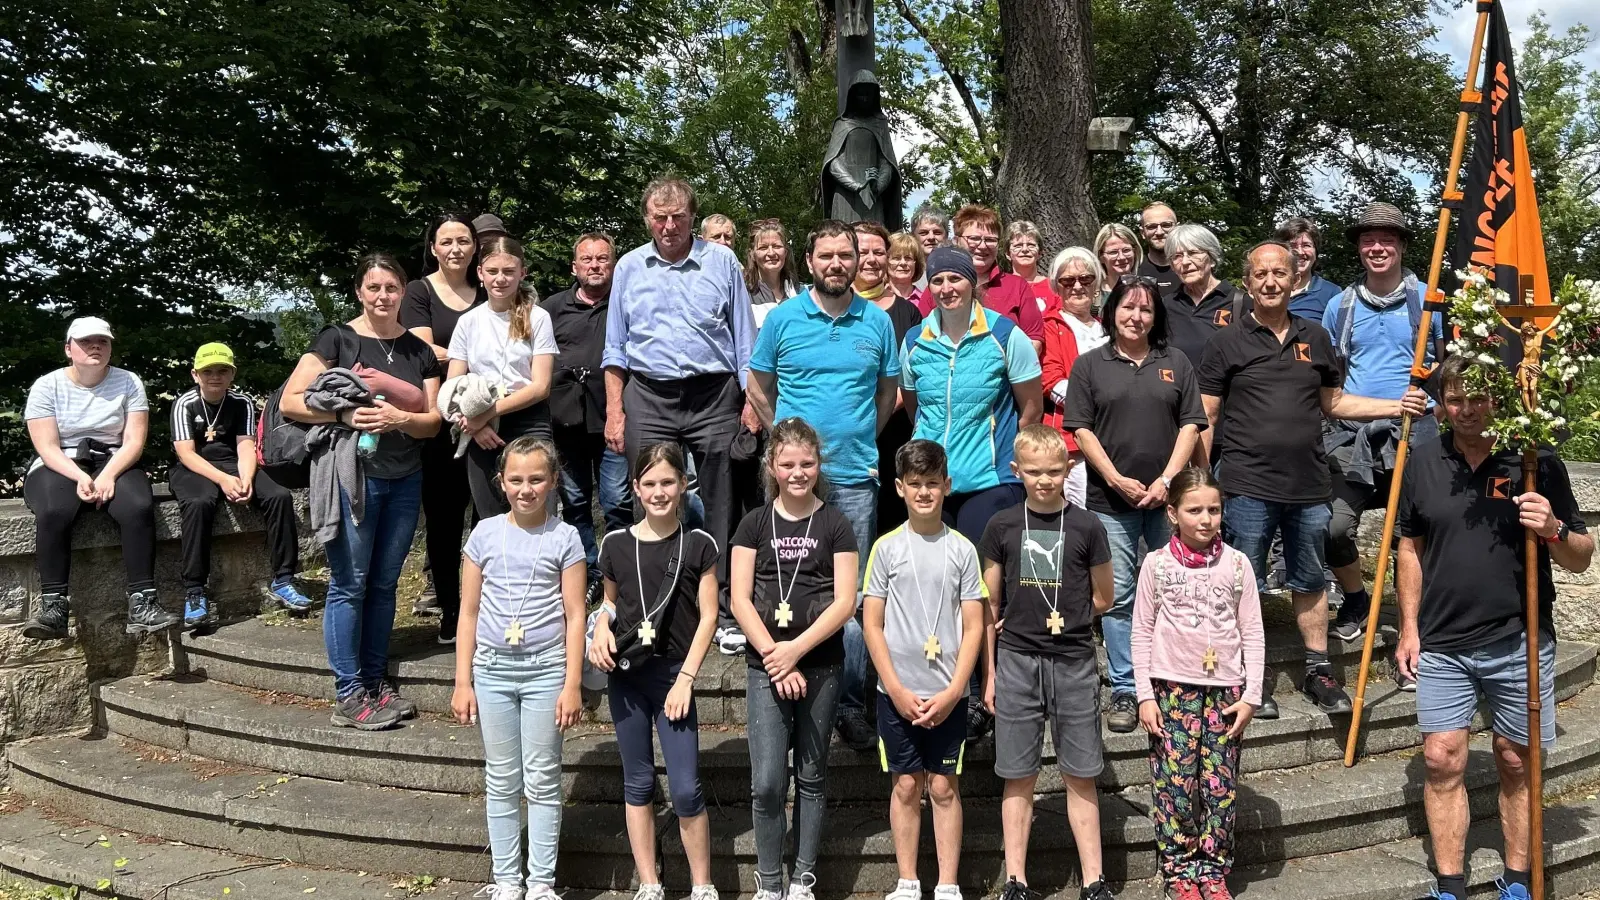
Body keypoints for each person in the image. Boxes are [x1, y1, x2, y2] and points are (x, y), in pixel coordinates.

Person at [1198, 242, 1427, 718]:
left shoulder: (1316, 336)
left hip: (1307, 483)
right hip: (1246, 483)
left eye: (1279, 273)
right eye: (1260, 274)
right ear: (1248, 281)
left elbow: (1335, 404)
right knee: (1244, 583)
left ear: (1293, 276)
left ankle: (1318, 670)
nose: (1270, 282)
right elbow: (1207, 416)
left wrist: (1394, 405)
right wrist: (1199, 482)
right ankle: (1245, 677)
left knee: (1309, 579)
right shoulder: (1226, 343)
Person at [1395, 354, 1594, 900]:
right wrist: (1408, 628)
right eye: (1454, 399)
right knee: (1440, 759)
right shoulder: (1422, 459)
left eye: (1476, 398)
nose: (1465, 409)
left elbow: (1581, 556)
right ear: (1442, 404)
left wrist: (1553, 528)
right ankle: (1451, 884)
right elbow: (1409, 548)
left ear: (1497, 400)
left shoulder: (1534, 459)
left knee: (1515, 758)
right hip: (1442, 640)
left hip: (1519, 638)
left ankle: (1516, 879)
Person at [747, 220, 900, 753]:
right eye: (826, 255)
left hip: (856, 477)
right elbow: (758, 386)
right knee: (786, 583)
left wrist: (859, 440)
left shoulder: (877, 322)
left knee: (850, 597)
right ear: (809, 261)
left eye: (845, 255)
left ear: (858, 261)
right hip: (790, 479)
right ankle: (783, 686)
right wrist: (782, 440)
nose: (836, 264)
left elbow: (888, 395)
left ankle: (851, 705)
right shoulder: (784, 319)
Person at [282, 253, 442, 729]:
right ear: (359, 292)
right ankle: (349, 692)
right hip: (355, 478)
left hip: (405, 477)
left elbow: (433, 423)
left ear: (404, 292)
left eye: (391, 288)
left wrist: (402, 419)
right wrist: (342, 416)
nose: (383, 297)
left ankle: (375, 681)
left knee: (384, 583)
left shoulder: (419, 350)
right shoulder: (337, 338)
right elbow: (292, 401)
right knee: (349, 583)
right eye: (374, 288)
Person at [604, 176, 757, 659]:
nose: (669, 226)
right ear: (647, 218)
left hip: (714, 394)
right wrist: (614, 409)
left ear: (693, 217)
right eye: (659, 217)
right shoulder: (629, 266)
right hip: (648, 394)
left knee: (723, 501)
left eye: (678, 217)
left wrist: (751, 401)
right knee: (649, 496)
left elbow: (744, 341)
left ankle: (729, 607)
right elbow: (615, 348)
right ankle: (646, 603)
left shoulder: (723, 261)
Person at [979, 425, 1116, 900]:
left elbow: (1105, 595)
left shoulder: (1087, 526)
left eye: (1054, 472)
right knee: (1018, 774)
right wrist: (990, 673)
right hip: (1017, 658)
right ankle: (1016, 879)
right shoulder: (1001, 525)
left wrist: (1069, 615)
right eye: (1033, 472)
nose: (1043, 480)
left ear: (1068, 470)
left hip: (1074, 658)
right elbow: (989, 605)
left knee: (1081, 772)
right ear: (1016, 471)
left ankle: (1094, 880)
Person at [1064, 277, 1207, 734]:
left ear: (1156, 317)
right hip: (1111, 500)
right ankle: (1125, 686)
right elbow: (1082, 430)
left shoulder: (1176, 362)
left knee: (1178, 587)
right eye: (1128, 307)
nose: (1136, 317)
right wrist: (1114, 478)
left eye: (1146, 310)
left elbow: (1190, 425)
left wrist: (1167, 480)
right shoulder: (1089, 366)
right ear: (1112, 311)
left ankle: (1176, 675)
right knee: (1119, 595)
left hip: (1169, 500)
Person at [451, 437, 587, 900]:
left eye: (535, 479)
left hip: (546, 669)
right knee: (502, 777)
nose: (525, 489)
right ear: (501, 482)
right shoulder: (485, 534)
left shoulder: (565, 537)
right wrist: (462, 681)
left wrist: (572, 683)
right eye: (516, 480)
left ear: (551, 482)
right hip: (491, 669)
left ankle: (542, 882)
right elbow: (468, 611)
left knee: (544, 776)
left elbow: (575, 615)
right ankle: (507, 880)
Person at [729, 419, 860, 900]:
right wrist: (772, 655)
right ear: (772, 467)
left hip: (820, 664)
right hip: (765, 666)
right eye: (788, 464)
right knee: (766, 783)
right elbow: (740, 598)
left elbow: (846, 601)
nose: (798, 472)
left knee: (811, 774)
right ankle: (768, 880)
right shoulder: (753, 523)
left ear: (818, 465)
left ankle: (803, 876)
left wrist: (795, 652)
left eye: (807, 463)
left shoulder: (835, 523)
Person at [588, 443, 720, 900]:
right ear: (635, 489)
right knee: (638, 782)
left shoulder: (700, 544)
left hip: (672, 680)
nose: (659, 491)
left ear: (684, 485)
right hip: (626, 679)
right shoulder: (615, 543)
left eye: (668, 482)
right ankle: (650, 882)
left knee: (685, 789)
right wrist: (598, 629)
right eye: (650, 483)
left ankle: (702, 884)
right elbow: (608, 603)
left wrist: (686, 678)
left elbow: (708, 617)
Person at [1321, 205, 1445, 683]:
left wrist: (1435, 404)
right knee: (1330, 526)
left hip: (1416, 436)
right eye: (1369, 240)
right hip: (1354, 438)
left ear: (1402, 246)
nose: (1377, 248)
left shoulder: (1428, 299)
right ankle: (1355, 599)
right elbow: (1331, 376)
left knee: (1410, 538)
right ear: (1358, 246)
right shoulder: (1342, 306)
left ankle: (1414, 637)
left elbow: (1447, 366)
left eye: (1387, 240)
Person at [1133, 466, 1264, 900]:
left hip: (1225, 693)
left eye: (1213, 509)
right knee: (1174, 784)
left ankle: (1213, 868)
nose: (1206, 519)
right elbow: (1141, 631)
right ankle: (1179, 868)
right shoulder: (1156, 565)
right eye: (1194, 510)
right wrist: (1145, 695)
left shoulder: (1238, 564)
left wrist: (1252, 696)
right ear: (1172, 513)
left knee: (1219, 786)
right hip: (1173, 691)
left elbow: (1253, 632)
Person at [862, 440, 985, 900]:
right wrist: (893, 687)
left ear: (947, 486)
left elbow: (974, 626)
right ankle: (908, 879)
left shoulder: (963, 551)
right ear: (899, 488)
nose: (925, 493)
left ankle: (948, 883)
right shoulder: (886, 549)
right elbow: (872, 624)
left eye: (933, 484)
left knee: (943, 785)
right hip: (897, 691)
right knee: (907, 784)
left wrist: (956, 690)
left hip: (947, 691)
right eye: (915, 485)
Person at [22, 317, 178, 640]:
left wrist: (108, 474)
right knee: (53, 510)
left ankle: (143, 601)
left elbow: (134, 440)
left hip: (114, 459)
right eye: (86, 341)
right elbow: (47, 446)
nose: (95, 346)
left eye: (102, 341)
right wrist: (79, 475)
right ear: (69, 349)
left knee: (137, 505)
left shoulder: (129, 382)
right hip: (60, 462)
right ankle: (53, 607)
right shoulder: (46, 386)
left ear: (110, 348)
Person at [902, 245, 1043, 546]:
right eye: (937, 280)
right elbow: (915, 408)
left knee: (983, 580)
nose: (946, 288)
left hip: (990, 480)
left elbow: (1031, 409)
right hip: (930, 480)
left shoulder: (1005, 334)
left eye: (955, 278)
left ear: (972, 282)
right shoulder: (914, 340)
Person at [169, 341, 310, 631]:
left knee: (278, 496)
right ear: (196, 374)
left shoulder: (241, 402)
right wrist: (222, 480)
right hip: (194, 467)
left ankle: (284, 578)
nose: (215, 377)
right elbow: (186, 453)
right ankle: (195, 589)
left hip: (235, 463)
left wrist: (245, 479)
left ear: (232, 374)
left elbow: (246, 446)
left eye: (222, 370)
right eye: (208, 371)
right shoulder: (185, 403)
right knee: (199, 503)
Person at [402, 212, 484, 625]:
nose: (455, 249)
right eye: (447, 242)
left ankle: (485, 603)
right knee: (444, 518)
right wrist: (471, 357)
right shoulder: (419, 292)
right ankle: (450, 608)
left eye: (463, 241)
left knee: (488, 513)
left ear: (475, 247)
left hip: (488, 416)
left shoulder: (487, 290)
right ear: (433, 247)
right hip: (441, 419)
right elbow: (422, 352)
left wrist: (452, 353)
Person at [543, 232, 632, 599]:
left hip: (613, 417)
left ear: (613, 263)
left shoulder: (626, 302)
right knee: (575, 503)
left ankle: (621, 572)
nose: (595, 266)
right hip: (565, 422)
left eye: (602, 259)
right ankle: (589, 572)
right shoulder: (550, 309)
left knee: (617, 501)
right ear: (574, 267)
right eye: (588, 260)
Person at [447, 235, 558, 517]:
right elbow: (453, 387)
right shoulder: (468, 322)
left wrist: (488, 414)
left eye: (509, 271)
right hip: (478, 425)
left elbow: (541, 386)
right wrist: (477, 424)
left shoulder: (539, 317)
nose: (500, 279)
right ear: (480, 273)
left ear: (522, 273)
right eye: (493, 271)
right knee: (491, 516)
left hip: (528, 420)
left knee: (538, 511)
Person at [1039, 247, 1110, 509]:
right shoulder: (1049, 325)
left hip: (1114, 436)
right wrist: (1101, 407)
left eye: (1086, 279)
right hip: (1073, 439)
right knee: (1080, 512)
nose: (1077, 286)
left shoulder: (1110, 326)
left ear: (1097, 283)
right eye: (1068, 281)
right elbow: (1050, 380)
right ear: (1057, 286)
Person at [878, 230, 931, 535]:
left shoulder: (912, 309)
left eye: (907, 258)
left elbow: (913, 367)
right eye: (894, 257)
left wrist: (887, 407)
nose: (900, 263)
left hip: (897, 417)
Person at [952, 205, 1045, 350]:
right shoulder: (940, 287)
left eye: (990, 240)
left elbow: (1034, 341)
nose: (982, 246)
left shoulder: (1017, 286)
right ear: (957, 241)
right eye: (974, 238)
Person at [1163, 224, 1247, 368]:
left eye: (1193, 253)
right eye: (1177, 256)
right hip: (1179, 389)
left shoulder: (1239, 302)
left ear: (1212, 258)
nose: (1185, 262)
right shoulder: (1166, 305)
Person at [1275, 217, 1342, 321]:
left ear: (1316, 252)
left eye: (1306, 245)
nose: (1300, 252)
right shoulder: (1267, 288)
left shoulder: (1332, 293)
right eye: (1292, 246)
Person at [744, 219, 801, 328]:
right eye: (763, 247)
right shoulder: (743, 295)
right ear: (752, 254)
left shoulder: (801, 293)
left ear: (785, 252)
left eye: (777, 246)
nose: (771, 253)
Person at [1006, 220, 1057, 317]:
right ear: (1008, 254)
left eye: (1031, 245)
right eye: (1018, 245)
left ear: (1040, 253)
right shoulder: (1001, 288)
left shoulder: (1054, 287)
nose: (1025, 249)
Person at [1136, 202, 1179, 295]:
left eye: (1166, 225)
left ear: (1177, 228)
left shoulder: (1190, 268)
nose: (1159, 232)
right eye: (1152, 227)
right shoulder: (1133, 270)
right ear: (1143, 233)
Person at [1095, 223, 1144, 300]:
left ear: (1135, 252)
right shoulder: (1092, 294)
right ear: (1101, 257)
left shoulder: (1147, 290)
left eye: (1126, 250)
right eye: (1113, 252)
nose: (1121, 257)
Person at [887, 231, 931, 316]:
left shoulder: (925, 299)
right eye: (896, 258)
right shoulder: (879, 298)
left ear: (916, 263)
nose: (903, 263)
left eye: (908, 258)